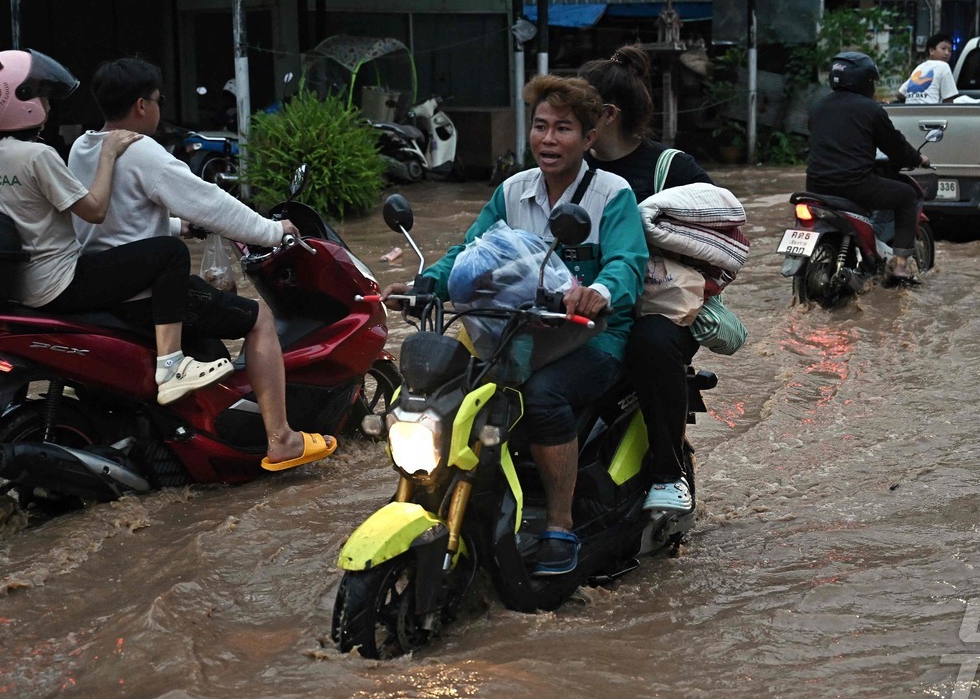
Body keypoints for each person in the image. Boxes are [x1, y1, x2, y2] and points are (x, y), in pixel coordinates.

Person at [384, 75, 646, 577]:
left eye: (564, 129)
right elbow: (469, 253)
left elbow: (627, 264)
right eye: (541, 127)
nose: (548, 139)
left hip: (592, 336)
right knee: (440, 388)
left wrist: (599, 292)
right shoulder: (512, 192)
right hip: (511, 332)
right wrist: (425, 285)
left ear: (589, 138)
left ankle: (560, 524)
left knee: (542, 396)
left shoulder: (613, 195)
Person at [66, 57, 336, 471]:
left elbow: (114, 217)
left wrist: (175, 225)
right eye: (157, 101)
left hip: (103, 286)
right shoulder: (141, 151)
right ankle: (281, 437)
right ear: (141, 106)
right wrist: (271, 230)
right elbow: (211, 203)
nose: (158, 109)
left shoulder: (83, 147)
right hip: (146, 294)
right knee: (259, 317)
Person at [0, 47, 232, 405]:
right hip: (58, 284)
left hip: (13, 286)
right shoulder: (38, 156)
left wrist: (176, 223)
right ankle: (171, 364)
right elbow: (94, 210)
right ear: (21, 100)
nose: (49, 104)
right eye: (42, 95)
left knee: (168, 243)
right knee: (169, 255)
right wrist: (108, 155)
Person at [579, 45, 712, 515]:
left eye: (577, 112)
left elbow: (722, 241)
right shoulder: (567, 168)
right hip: (580, 299)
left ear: (608, 116)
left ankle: (667, 473)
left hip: (656, 308)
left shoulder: (672, 170)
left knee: (650, 347)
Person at [805, 51, 928, 283]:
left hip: (815, 186)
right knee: (908, 196)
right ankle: (900, 266)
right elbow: (896, 147)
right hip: (854, 186)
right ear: (865, 80)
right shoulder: (871, 110)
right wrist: (917, 159)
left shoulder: (817, 107)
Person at [897, 31, 960, 104]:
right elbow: (948, 99)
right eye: (943, 48)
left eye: (950, 51)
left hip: (909, 112)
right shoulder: (943, 66)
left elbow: (900, 94)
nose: (947, 53)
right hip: (930, 112)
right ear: (931, 51)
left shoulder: (919, 68)